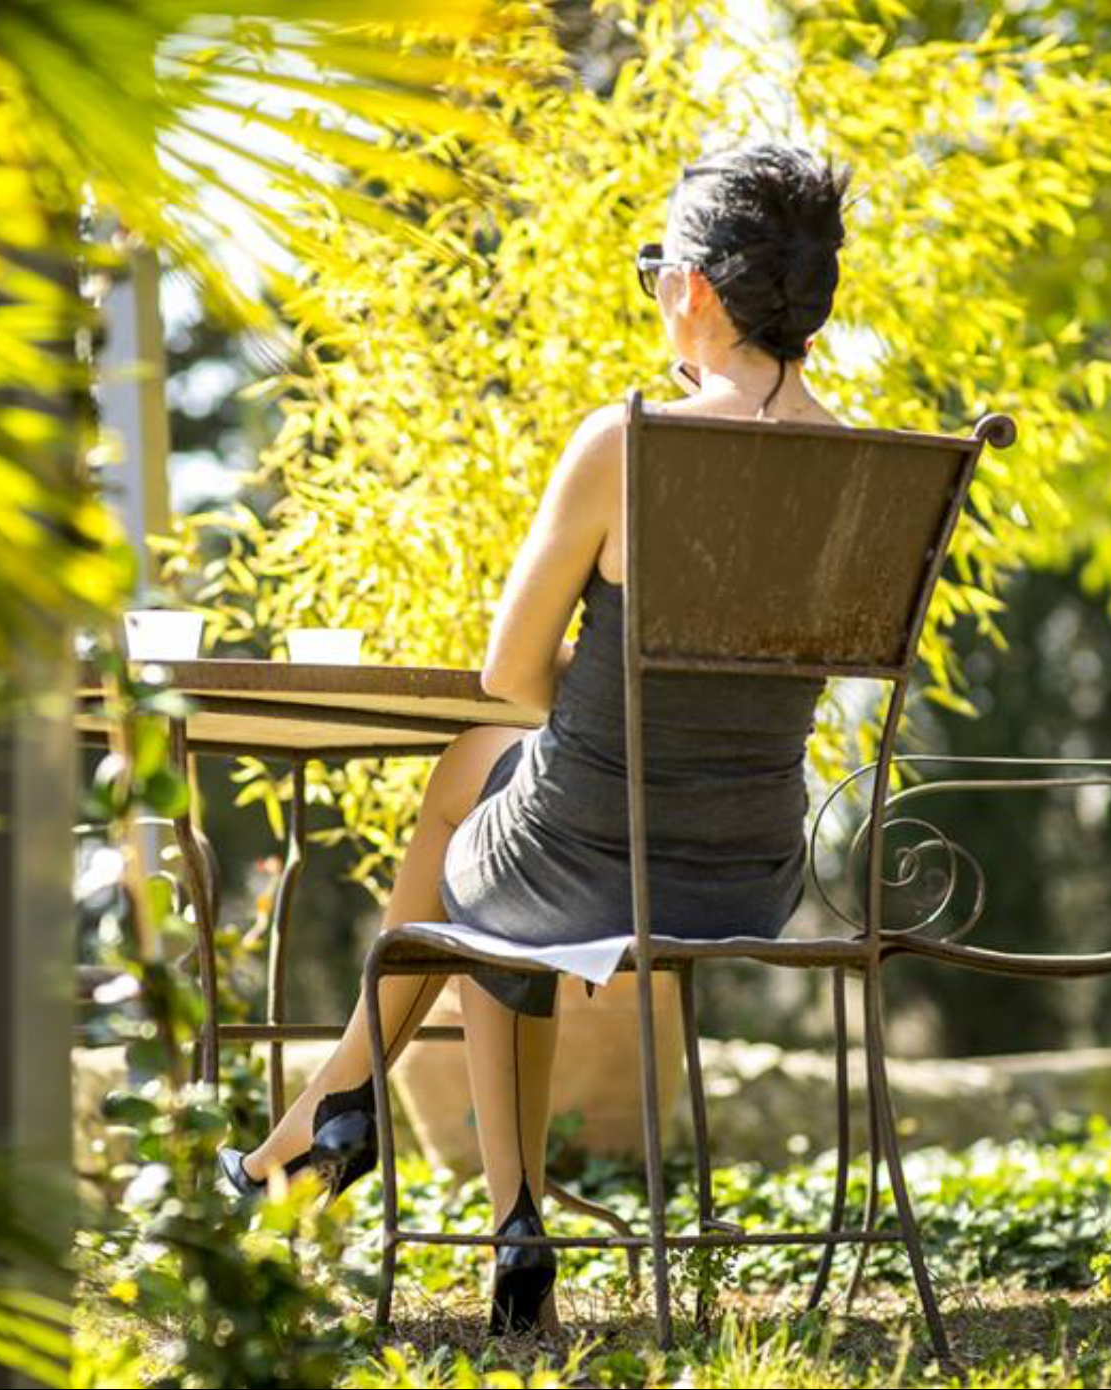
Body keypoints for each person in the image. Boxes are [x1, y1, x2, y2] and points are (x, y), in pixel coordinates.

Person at [217, 139, 854, 1336]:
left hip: (584, 864)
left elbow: (511, 674)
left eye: (657, 264)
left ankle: (334, 1115)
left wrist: (608, 675)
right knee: (494, 802)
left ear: (694, 291)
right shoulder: (858, 464)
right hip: (754, 874)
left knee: (479, 793)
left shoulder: (625, 444)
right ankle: (456, 1200)